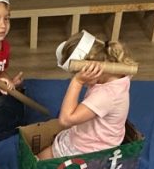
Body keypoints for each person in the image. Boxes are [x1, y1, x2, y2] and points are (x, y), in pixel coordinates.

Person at [38, 30, 135, 159]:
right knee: (44, 153)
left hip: (90, 149)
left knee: (39, 160)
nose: (84, 83)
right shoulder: (117, 77)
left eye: (77, 74)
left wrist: (77, 82)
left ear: (90, 69)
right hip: (100, 137)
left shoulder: (106, 95)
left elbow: (66, 120)